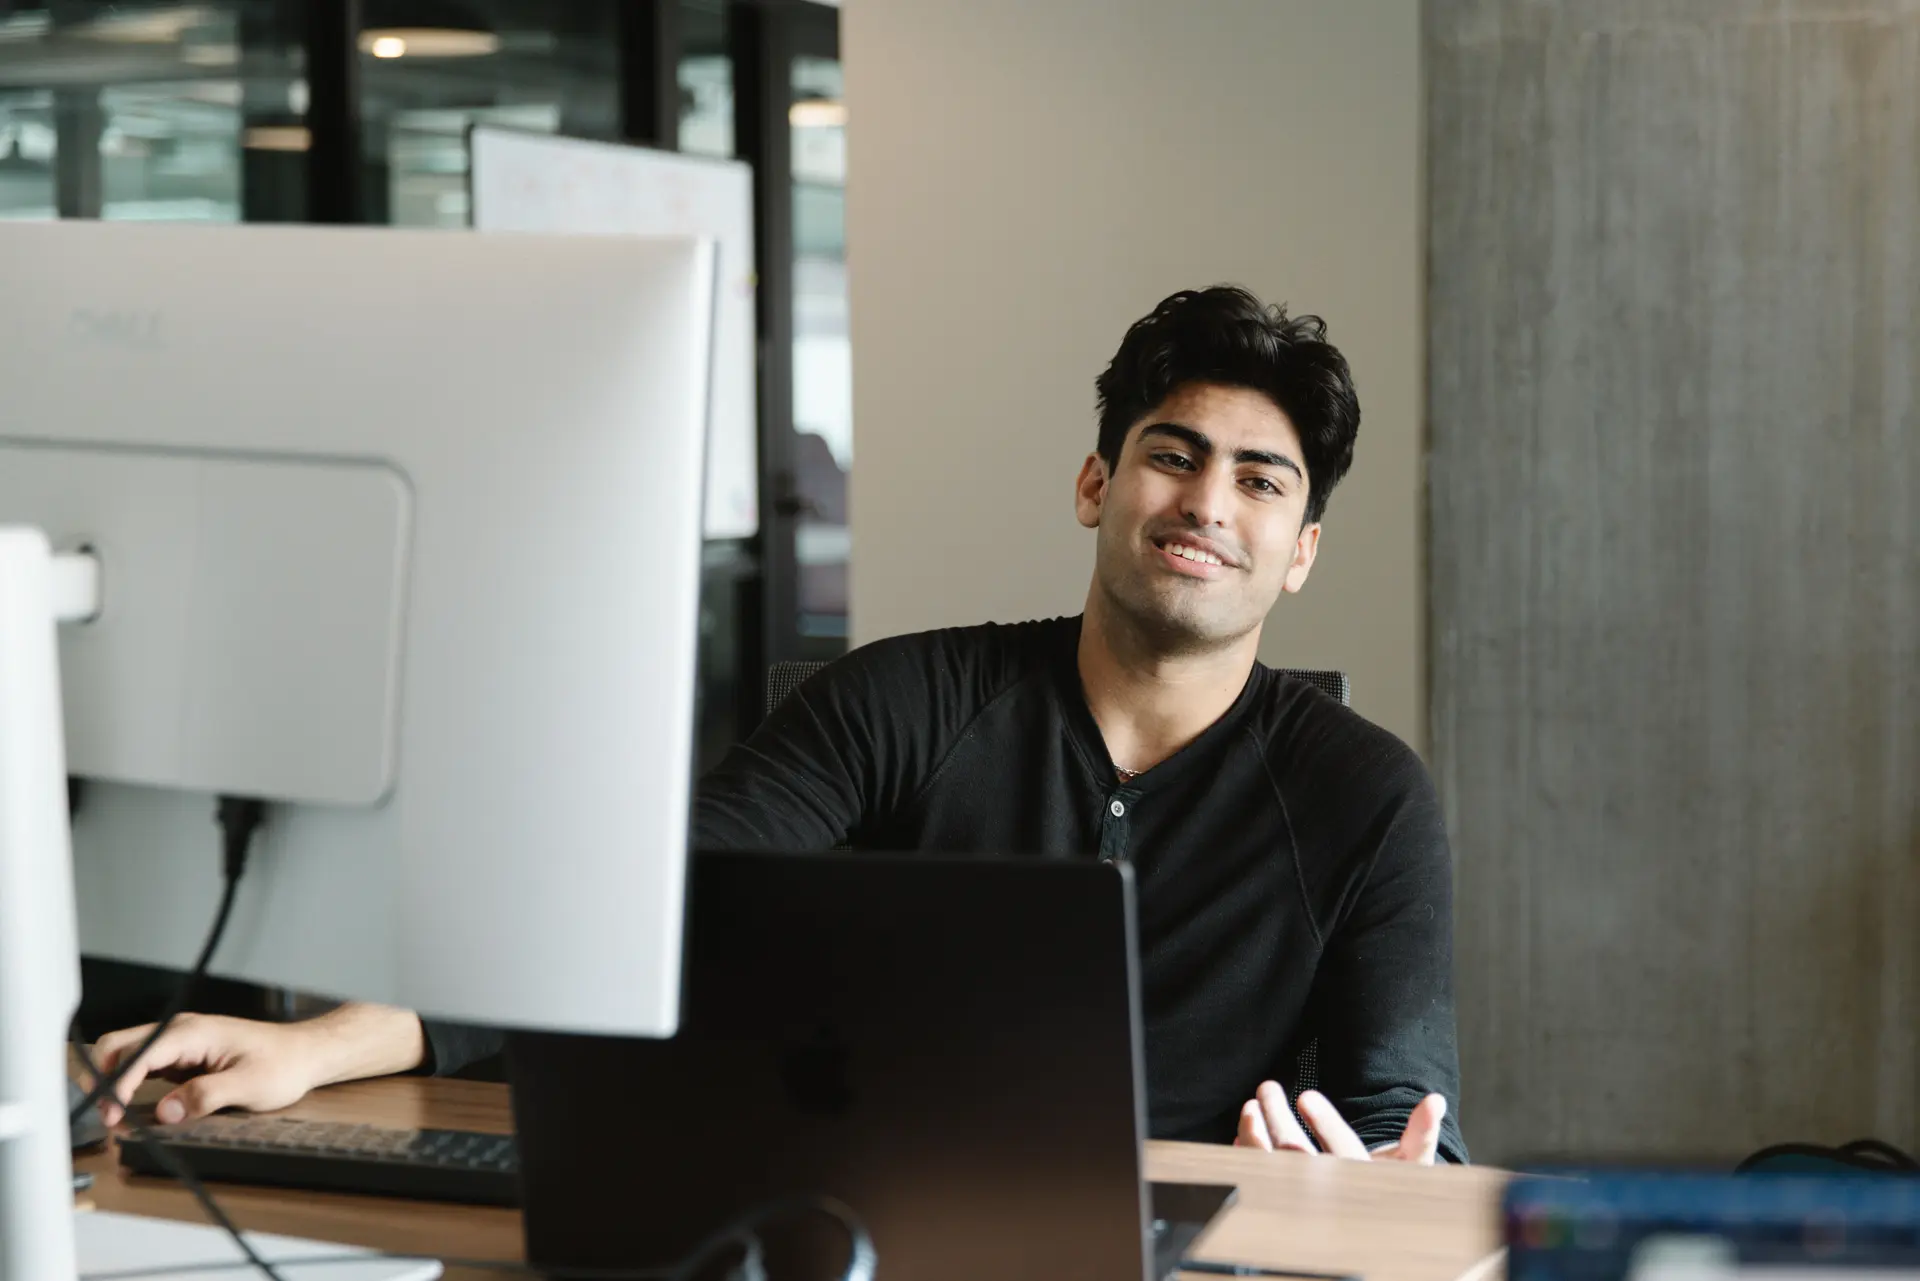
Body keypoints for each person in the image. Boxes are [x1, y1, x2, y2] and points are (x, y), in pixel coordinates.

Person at [90, 286, 1467, 1164]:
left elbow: (1404, 1126)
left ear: (1299, 551)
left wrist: (1371, 1192)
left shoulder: (1363, 797)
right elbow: (641, 920)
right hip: (878, 1218)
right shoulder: (903, 703)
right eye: (1173, 455)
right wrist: (315, 1047)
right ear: (1097, 483)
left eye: (1259, 481)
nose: (1206, 504)